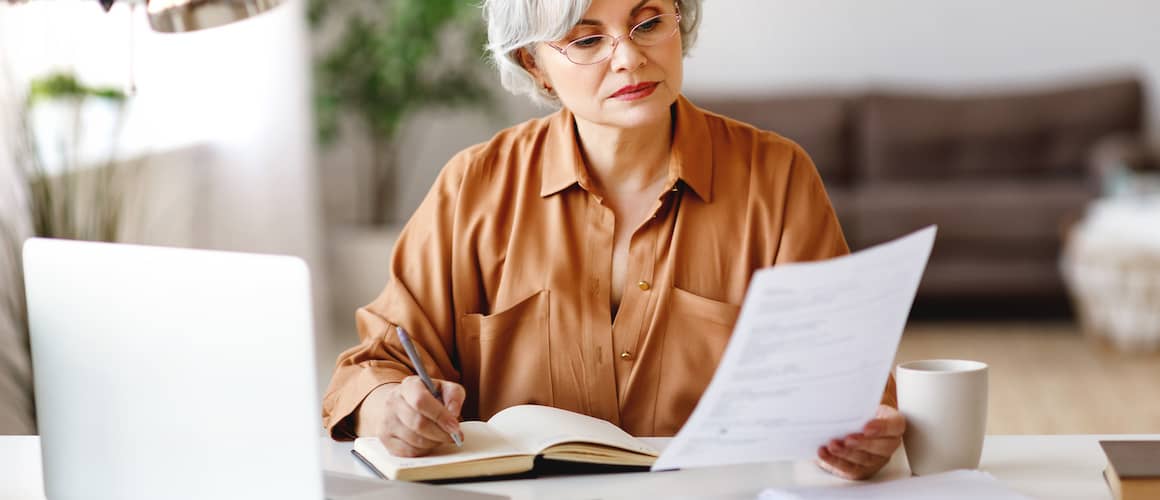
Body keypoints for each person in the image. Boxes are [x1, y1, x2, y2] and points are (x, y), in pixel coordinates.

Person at [322, 0, 905, 480]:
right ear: (535, 65)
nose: (629, 57)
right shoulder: (473, 187)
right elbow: (376, 365)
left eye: (648, 21)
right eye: (586, 39)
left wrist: (860, 438)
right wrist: (388, 410)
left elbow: (848, 382)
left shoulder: (775, 178)